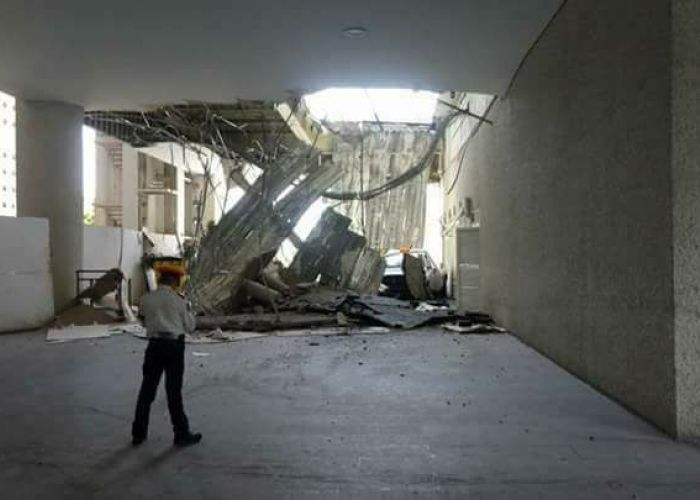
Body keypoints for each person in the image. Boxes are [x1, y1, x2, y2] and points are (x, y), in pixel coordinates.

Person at [131, 268, 202, 447]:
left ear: (160, 280)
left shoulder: (145, 299)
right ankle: (181, 434)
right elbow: (190, 326)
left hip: (154, 345)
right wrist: (190, 310)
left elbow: (143, 320)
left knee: (147, 391)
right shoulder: (179, 301)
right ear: (175, 282)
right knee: (173, 392)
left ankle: (138, 434)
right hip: (174, 347)